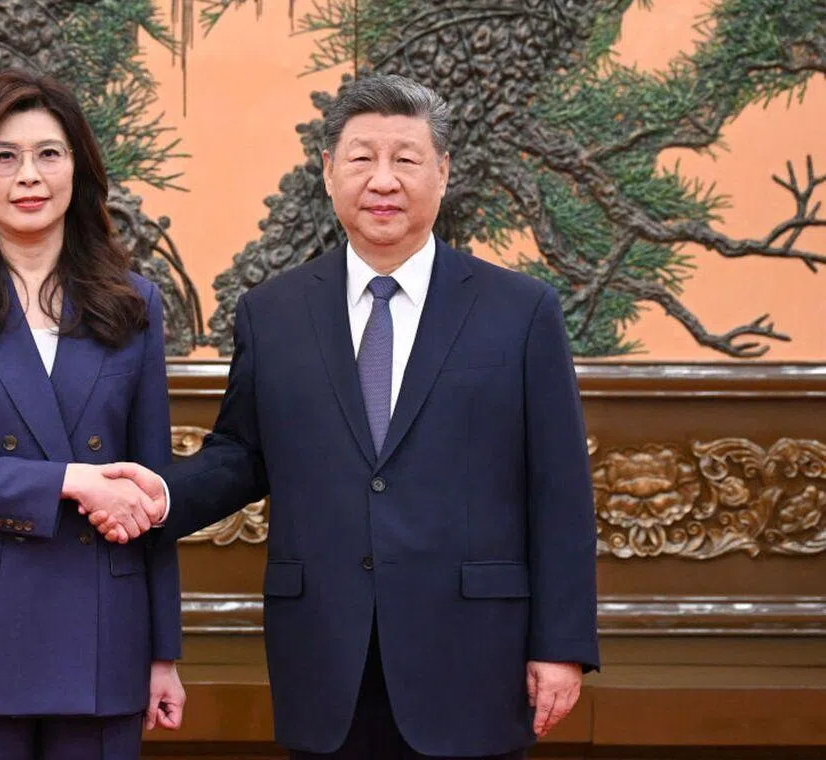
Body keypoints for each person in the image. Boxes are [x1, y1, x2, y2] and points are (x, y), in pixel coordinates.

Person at [91, 74, 599, 759]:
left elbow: (560, 488)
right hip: (327, 652)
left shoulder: (521, 311)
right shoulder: (273, 313)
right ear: (328, 173)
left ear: (443, 173)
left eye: (407, 159)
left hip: (475, 655)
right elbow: (243, 453)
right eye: (361, 158)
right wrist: (162, 496)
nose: (383, 180)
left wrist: (562, 648)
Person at [0, 69, 184, 760]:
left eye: (50, 153)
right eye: (4, 155)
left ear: (79, 168)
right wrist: (71, 481)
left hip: (104, 633)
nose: (29, 175)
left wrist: (163, 651)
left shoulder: (133, 302)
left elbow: (149, 484)